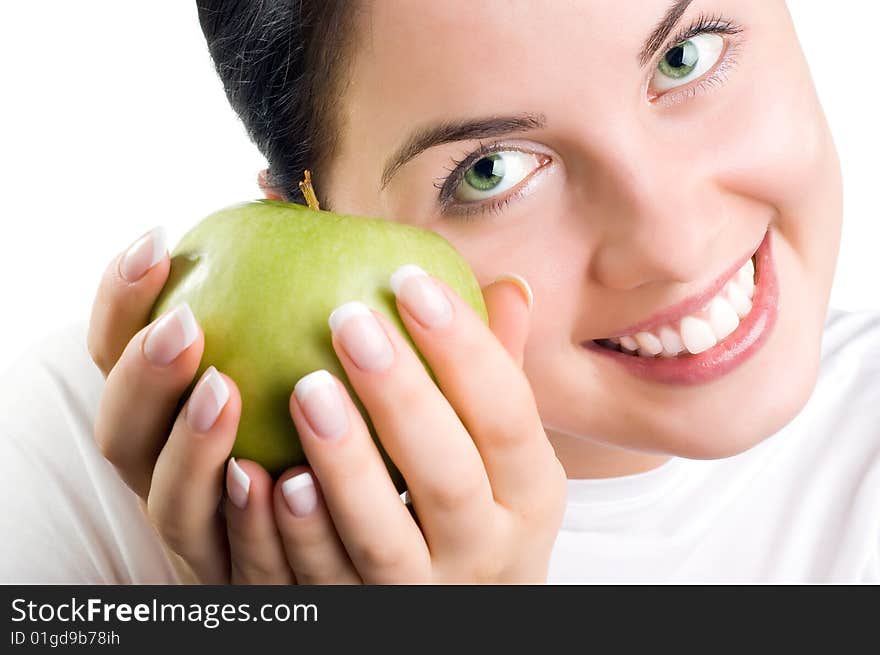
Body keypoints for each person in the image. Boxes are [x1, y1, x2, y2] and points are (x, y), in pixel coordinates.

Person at [2, 0, 879, 584]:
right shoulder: (82, 464)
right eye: (490, 170)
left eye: (686, 57)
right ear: (311, 211)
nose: (675, 242)